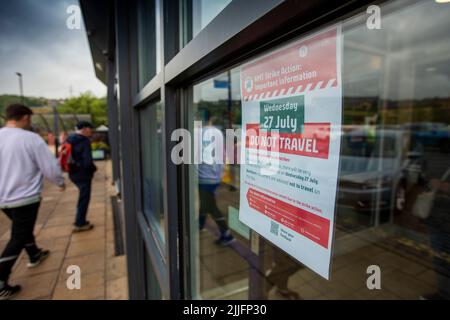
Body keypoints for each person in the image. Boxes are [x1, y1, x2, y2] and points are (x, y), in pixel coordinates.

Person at [0, 104, 65, 300]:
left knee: (22, 229)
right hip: (24, 197)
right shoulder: (30, 139)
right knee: (18, 235)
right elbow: (49, 167)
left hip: (3, 199)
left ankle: (34, 254)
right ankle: (1, 279)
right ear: (26, 117)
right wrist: (60, 182)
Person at [197, 114, 235, 246]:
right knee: (205, 203)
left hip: (204, 178)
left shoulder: (198, 133)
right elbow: (223, 155)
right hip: (214, 177)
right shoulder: (219, 134)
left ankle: (227, 234)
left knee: (211, 207)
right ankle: (200, 225)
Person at [67, 121, 97, 232]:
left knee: (82, 197)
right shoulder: (84, 141)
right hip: (82, 174)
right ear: (84, 129)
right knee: (84, 198)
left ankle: (80, 220)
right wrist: (93, 170)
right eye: (90, 128)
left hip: (73, 173)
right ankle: (80, 223)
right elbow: (87, 162)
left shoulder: (71, 138)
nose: (91, 131)